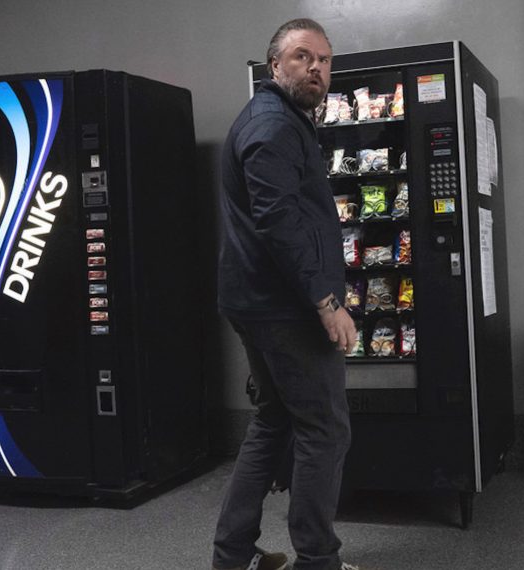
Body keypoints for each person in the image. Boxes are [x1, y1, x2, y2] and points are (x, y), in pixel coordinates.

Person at [212, 18, 359, 570]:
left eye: (323, 59)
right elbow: (278, 221)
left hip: (258, 301)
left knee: (274, 422)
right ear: (274, 66)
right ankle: (318, 560)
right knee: (324, 430)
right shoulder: (274, 125)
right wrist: (326, 302)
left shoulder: (281, 120)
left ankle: (233, 555)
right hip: (286, 308)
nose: (316, 68)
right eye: (302, 57)